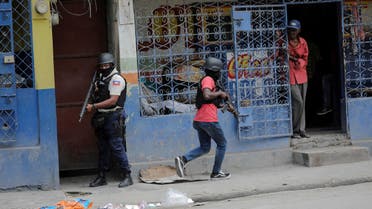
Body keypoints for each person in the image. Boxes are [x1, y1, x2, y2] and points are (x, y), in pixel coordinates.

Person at [174, 56, 231, 180]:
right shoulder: (208, 79)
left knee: (205, 147)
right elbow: (207, 95)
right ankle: (216, 172)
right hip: (208, 119)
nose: (220, 73)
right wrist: (220, 93)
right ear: (215, 70)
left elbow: (210, 99)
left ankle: (183, 159)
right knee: (222, 144)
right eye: (219, 71)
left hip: (200, 119)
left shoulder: (210, 81)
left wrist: (221, 101)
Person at [85, 52, 133, 188]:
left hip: (113, 116)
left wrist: (93, 106)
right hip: (102, 117)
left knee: (117, 146)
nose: (105, 67)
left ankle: (127, 175)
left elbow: (113, 101)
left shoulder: (116, 79)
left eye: (107, 65)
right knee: (103, 148)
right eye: (102, 65)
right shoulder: (102, 78)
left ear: (112, 65)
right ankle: (102, 177)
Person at [287, 20, 310, 139]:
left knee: (302, 103)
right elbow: (281, 56)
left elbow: (305, 58)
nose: (292, 32)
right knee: (298, 102)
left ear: (299, 30)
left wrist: (298, 61)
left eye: (294, 30)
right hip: (291, 76)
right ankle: (295, 130)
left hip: (302, 74)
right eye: (290, 29)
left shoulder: (303, 42)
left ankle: (302, 129)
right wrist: (293, 59)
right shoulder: (285, 43)